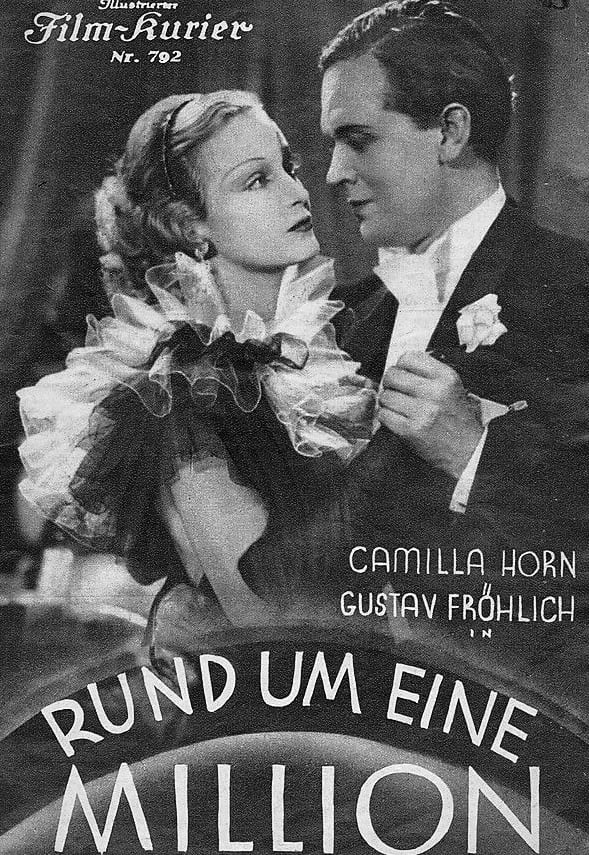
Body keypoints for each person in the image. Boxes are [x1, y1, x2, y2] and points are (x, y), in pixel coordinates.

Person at [17, 91, 376, 643]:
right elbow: (269, 617)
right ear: (190, 225)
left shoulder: (305, 356)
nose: (298, 192)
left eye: (289, 168)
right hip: (271, 686)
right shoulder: (185, 392)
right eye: (256, 180)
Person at [319, 0, 589, 721]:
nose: (334, 172)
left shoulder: (575, 290)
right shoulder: (341, 322)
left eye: (357, 139)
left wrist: (473, 454)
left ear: (450, 131)